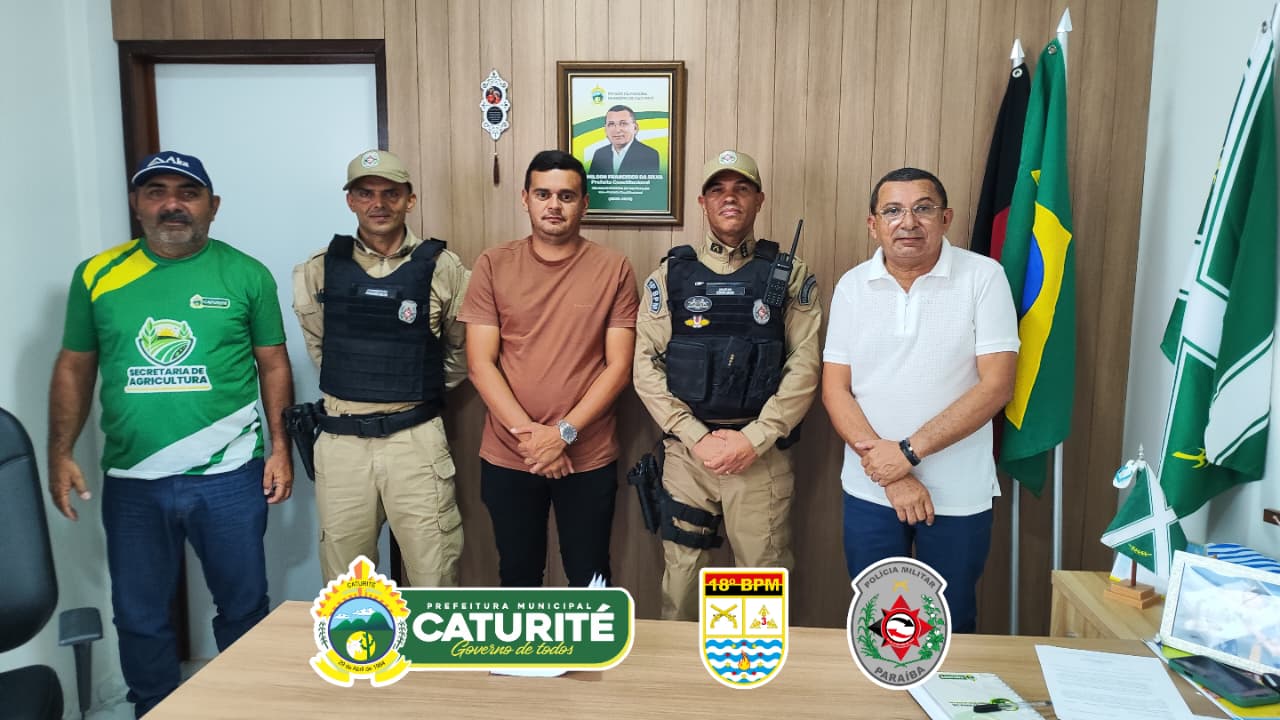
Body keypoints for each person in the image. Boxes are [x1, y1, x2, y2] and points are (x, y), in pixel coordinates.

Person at [48, 151, 294, 716]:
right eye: (156, 191)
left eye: (187, 192)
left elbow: (274, 363)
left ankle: (246, 708)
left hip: (229, 477)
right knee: (139, 616)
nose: (172, 204)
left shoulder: (246, 274)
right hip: (133, 480)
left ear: (213, 206)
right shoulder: (96, 275)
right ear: (136, 203)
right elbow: (74, 365)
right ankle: (154, 708)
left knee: (243, 608)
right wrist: (59, 452)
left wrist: (280, 449)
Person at [821, 167, 1019, 633]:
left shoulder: (984, 277)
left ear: (946, 218)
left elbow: (996, 386)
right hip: (872, 489)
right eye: (892, 211)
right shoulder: (853, 285)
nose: (907, 222)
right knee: (878, 622)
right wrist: (890, 473)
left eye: (923, 209)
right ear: (873, 224)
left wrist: (907, 454)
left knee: (949, 623)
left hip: (958, 493)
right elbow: (835, 389)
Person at [633, 149, 822, 620]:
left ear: (759, 200)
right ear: (702, 202)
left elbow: (804, 368)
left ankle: (748, 669)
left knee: (755, 590)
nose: (729, 198)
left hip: (760, 456)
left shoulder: (789, 274)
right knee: (681, 582)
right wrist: (696, 437)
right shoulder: (670, 275)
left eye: (741, 188)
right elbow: (645, 367)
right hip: (687, 455)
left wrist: (752, 440)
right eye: (717, 189)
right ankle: (679, 671)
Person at [460, 149, 638, 587]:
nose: (554, 205)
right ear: (525, 198)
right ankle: (524, 644)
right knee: (518, 574)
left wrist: (563, 435)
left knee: (591, 575)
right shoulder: (493, 264)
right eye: (543, 194)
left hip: (587, 455)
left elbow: (618, 367)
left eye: (566, 196)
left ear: (584, 203)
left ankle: (587, 643)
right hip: (510, 455)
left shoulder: (613, 268)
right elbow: (480, 364)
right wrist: (534, 440)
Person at [292, 149, 468, 587]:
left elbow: (460, 351)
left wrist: (414, 385)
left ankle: (432, 642)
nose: (379, 203)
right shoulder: (319, 269)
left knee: (434, 574)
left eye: (391, 193)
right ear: (350, 200)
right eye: (366, 193)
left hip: (415, 440)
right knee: (347, 585)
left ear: (410, 199)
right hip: (342, 443)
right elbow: (321, 347)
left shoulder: (444, 268)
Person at [588, 105, 661, 176]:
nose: (617, 130)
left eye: (623, 123)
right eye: (611, 124)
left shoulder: (648, 155)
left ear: (635, 128)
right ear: (605, 129)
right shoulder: (599, 154)